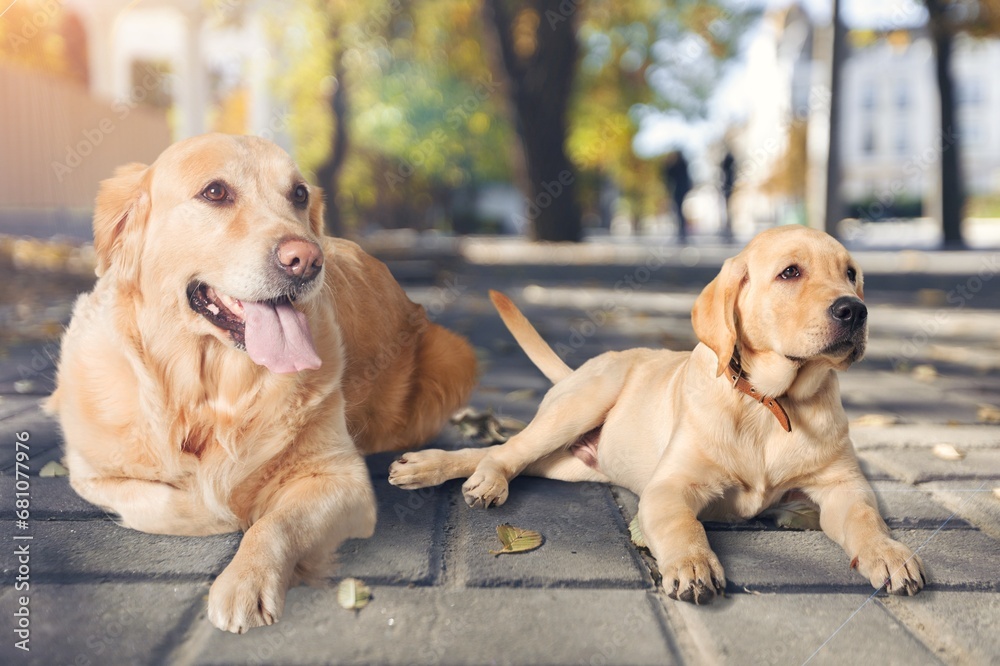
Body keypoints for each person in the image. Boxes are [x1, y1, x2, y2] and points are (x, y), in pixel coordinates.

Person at [663, 151, 692, 243]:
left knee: (679, 211)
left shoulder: (680, 165)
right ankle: (681, 231)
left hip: (679, 190)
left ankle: (682, 231)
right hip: (679, 190)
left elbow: (669, 175)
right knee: (678, 211)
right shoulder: (680, 164)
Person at [720, 151, 736, 243]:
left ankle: (728, 231)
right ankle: (728, 231)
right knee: (728, 211)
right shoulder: (730, 164)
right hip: (728, 188)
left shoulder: (727, 164)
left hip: (728, 188)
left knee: (728, 211)